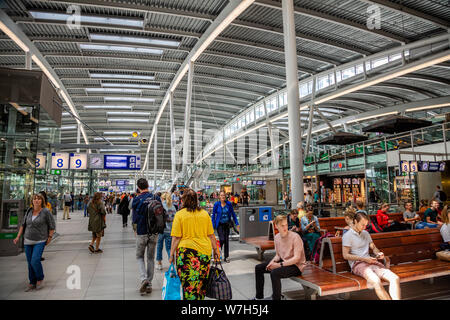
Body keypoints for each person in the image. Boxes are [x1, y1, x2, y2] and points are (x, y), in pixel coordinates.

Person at [169, 188, 220, 300]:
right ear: (196, 200)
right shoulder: (204, 214)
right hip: (204, 254)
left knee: (189, 286)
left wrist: (171, 254)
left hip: (186, 254)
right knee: (201, 285)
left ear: (183, 200)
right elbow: (211, 235)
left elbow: (176, 238)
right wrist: (216, 251)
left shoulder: (180, 215)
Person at [342, 210, 401, 300]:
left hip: (371, 262)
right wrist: (364, 259)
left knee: (395, 278)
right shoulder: (347, 235)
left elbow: (373, 247)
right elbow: (345, 255)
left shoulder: (365, 233)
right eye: (362, 225)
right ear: (355, 221)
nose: (365, 227)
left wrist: (378, 253)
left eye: (366, 225)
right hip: (358, 264)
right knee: (376, 281)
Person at [253, 215, 306, 300]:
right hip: (285, 261)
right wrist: (272, 262)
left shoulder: (295, 237)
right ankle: (258, 297)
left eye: (286, 225)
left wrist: (278, 265)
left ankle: (276, 298)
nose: (285, 227)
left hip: (297, 266)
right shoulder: (277, 237)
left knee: (275, 273)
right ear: (276, 226)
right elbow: (278, 255)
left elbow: (297, 258)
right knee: (258, 268)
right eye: (282, 225)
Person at [13, 194, 55, 291]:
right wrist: (18, 236)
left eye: (39, 199)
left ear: (42, 201)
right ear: (32, 201)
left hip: (40, 240)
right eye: (35, 199)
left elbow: (52, 225)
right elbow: (23, 225)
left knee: (35, 260)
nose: (36, 200)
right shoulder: (29, 211)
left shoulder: (45, 212)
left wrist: (49, 237)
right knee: (29, 263)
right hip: (27, 240)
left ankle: (40, 278)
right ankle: (32, 282)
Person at [132, 178, 157, 295]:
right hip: (154, 233)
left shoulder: (136, 199)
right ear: (148, 185)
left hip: (142, 232)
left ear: (138, 187)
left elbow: (135, 218)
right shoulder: (155, 197)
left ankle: (144, 279)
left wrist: (134, 229)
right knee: (151, 258)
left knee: (139, 257)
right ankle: (149, 283)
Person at [211, 191, 239, 263]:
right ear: (219, 197)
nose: (223, 196)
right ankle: (218, 254)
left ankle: (226, 257)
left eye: (224, 195)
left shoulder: (229, 204)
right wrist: (212, 225)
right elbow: (213, 215)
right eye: (221, 195)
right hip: (219, 224)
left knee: (226, 241)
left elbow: (233, 214)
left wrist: (237, 223)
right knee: (222, 239)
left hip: (227, 224)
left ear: (225, 196)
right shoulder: (217, 204)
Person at [156, 192, 176, 270]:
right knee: (169, 248)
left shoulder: (160, 207)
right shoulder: (173, 207)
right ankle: (171, 264)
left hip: (161, 230)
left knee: (159, 246)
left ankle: (159, 263)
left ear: (162, 198)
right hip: (170, 230)